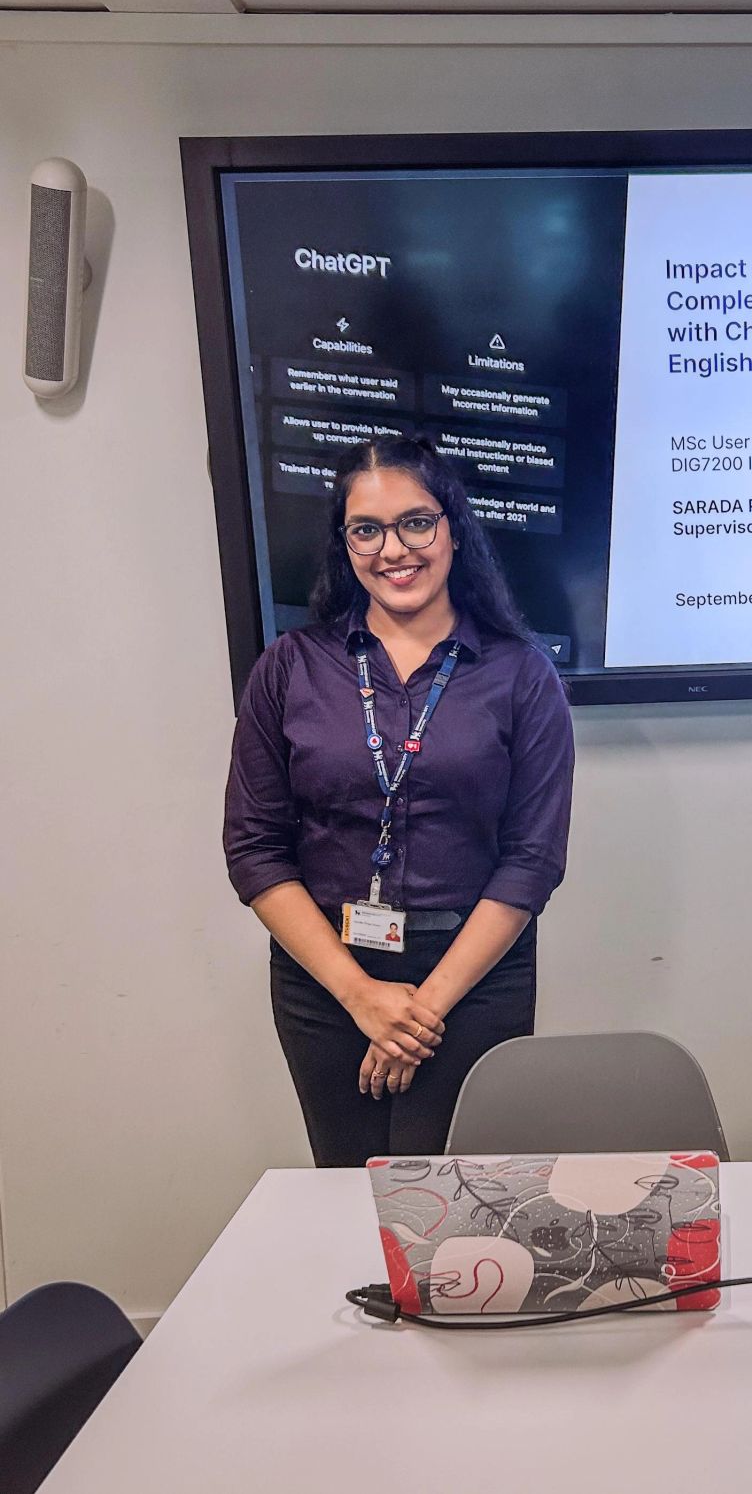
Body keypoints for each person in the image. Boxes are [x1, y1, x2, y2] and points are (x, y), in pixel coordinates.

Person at [223, 434, 574, 1165]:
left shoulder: (522, 674)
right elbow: (254, 849)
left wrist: (419, 1012)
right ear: (344, 544)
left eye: (416, 522)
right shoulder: (288, 668)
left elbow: (532, 860)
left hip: (474, 980)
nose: (394, 550)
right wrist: (360, 996)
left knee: (458, 1204)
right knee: (346, 1187)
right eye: (367, 530)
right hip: (326, 981)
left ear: (453, 529)